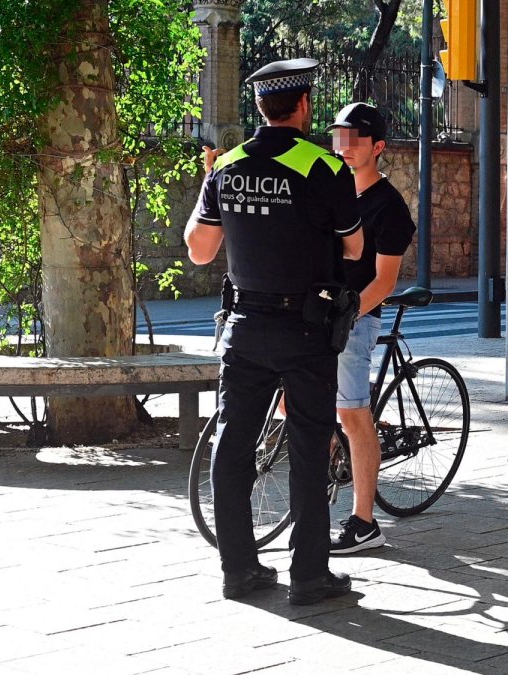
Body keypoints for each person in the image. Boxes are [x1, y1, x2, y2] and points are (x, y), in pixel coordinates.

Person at [184, 58, 365, 606]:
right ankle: (309, 575)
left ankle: (238, 569)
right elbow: (355, 247)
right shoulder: (322, 168)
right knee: (310, 445)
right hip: (306, 329)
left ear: (260, 107)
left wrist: (206, 187)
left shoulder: (228, 167)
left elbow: (199, 249)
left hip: (243, 327)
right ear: (304, 106)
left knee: (232, 443)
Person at [323, 103, 416, 554]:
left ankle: (364, 522)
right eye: (339, 136)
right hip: (317, 313)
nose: (344, 146)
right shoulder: (331, 191)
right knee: (294, 402)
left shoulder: (389, 207)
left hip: (355, 320)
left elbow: (384, 280)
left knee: (354, 416)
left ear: (377, 147)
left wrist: (349, 314)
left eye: (354, 138)